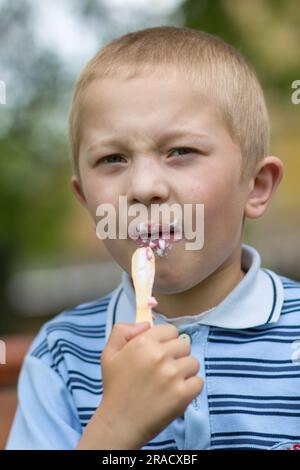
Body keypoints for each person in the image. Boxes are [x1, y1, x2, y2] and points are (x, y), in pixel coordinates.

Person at [6, 26, 300, 451]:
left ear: (255, 186)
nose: (143, 187)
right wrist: (115, 428)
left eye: (180, 151)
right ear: (87, 201)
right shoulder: (59, 357)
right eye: (113, 159)